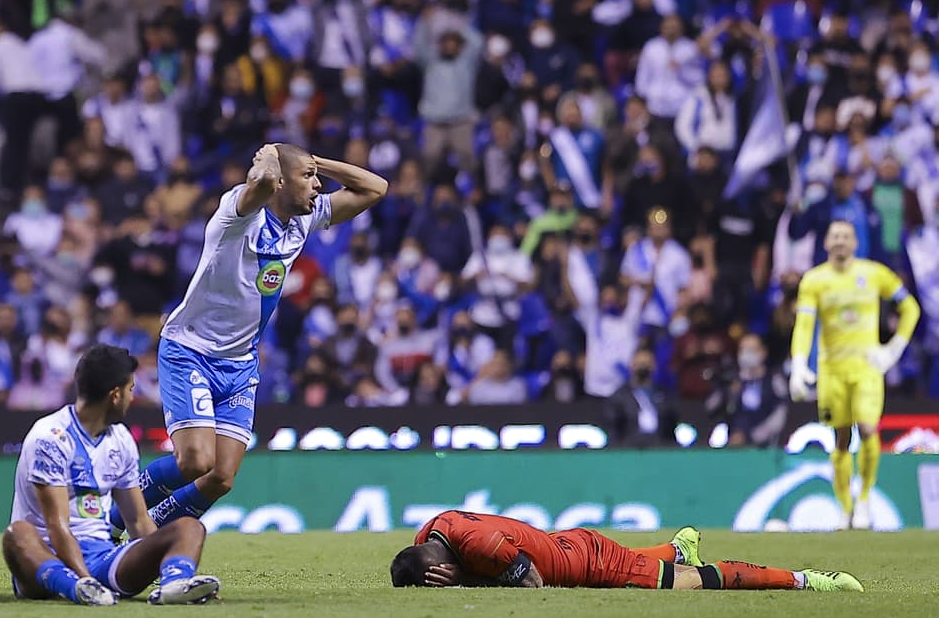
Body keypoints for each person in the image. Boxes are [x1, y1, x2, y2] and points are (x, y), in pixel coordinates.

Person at [109, 143, 387, 533]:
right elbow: (262, 183)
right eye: (307, 177)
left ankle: (147, 532)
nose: (318, 185)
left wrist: (315, 162)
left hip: (240, 363)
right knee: (195, 461)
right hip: (191, 349)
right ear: (281, 182)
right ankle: (109, 521)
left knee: (221, 477)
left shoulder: (303, 220)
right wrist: (272, 158)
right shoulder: (237, 215)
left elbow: (375, 188)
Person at [2, 345, 220, 607]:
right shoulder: (50, 437)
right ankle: (77, 588)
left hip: (102, 557)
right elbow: (57, 527)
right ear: (115, 396)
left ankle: (175, 584)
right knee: (17, 533)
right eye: (130, 389)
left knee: (189, 527)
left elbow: (138, 520)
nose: (132, 397)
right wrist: (85, 578)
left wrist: (154, 556)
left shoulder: (121, 440)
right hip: (45, 558)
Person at [789, 220, 919, 529]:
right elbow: (805, 325)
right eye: (834, 236)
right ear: (825, 243)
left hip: (866, 368)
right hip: (831, 371)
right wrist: (798, 364)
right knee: (841, 439)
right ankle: (845, 506)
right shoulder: (814, 280)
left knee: (869, 429)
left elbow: (910, 308)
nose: (840, 241)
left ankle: (864, 501)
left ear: (855, 242)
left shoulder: (874, 274)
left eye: (846, 236)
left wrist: (893, 349)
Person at [391, 510, 863, 593]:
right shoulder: (431, 532)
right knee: (651, 562)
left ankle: (806, 579)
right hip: (566, 543)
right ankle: (677, 548)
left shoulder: (479, 547)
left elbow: (532, 583)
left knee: (688, 586)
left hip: (588, 562)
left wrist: (466, 581)